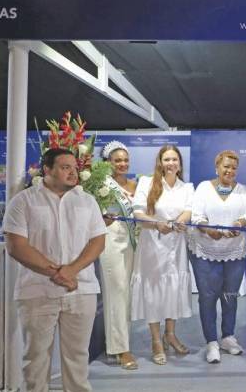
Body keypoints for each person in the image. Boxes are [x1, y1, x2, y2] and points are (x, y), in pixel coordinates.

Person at [3, 148, 107, 392]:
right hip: (36, 291)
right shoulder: (23, 201)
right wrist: (58, 273)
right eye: (65, 167)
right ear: (46, 170)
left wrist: (72, 270)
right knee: (35, 362)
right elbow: (16, 246)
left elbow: (98, 241)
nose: (73, 172)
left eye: (74, 167)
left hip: (82, 291)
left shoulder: (88, 201)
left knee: (78, 361)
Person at [130, 145, 193, 365]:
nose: (171, 163)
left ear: (180, 163)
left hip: (176, 246)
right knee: (154, 292)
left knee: (172, 289)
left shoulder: (186, 187)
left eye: (174, 159)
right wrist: (156, 224)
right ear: (160, 162)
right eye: (167, 159)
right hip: (152, 246)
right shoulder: (147, 183)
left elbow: (188, 210)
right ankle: (156, 340)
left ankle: (171, 334)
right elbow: (137, 212)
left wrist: (180, 221)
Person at [188, 150, 246, 364]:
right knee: (207, 297)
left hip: (234, 251)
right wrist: (208, 230)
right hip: (205, 250)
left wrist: (239, 224)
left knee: (230, 295)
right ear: (217, 167)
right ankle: (211, 342)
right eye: (226, 166)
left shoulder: (243, 190)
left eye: (234, 167)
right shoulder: (204, 188)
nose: (230, 170)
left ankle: (227, 337)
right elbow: (197, 216)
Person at [99, 141, 138, 370]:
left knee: (127, 294)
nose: (122, 164)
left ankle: (119, 342)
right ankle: (120, 349)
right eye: (117, 160)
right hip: (109, 241)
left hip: (132, 242)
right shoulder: (100, 184)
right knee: (116, 292)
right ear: (108, 163)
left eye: (125, 160)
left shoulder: (134, 184)